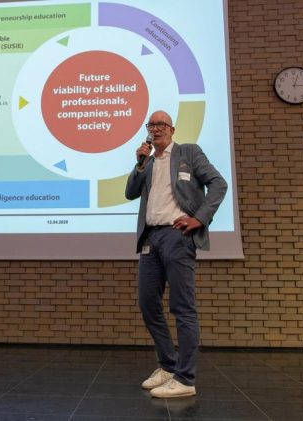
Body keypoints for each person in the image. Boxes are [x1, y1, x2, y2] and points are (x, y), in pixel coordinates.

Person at [125, 110, 227, 398]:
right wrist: (139, 164)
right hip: (150, 237)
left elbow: (218, 184)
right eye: (152, 125)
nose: (156, 129)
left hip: (177, 236)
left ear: (172, 129)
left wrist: (200, 218)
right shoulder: (146, 162)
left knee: (182, 307)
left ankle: (185, 378)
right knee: (148, 304)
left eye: (161, 124)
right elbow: (130, 192)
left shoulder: (189, 153)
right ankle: (168, 366)